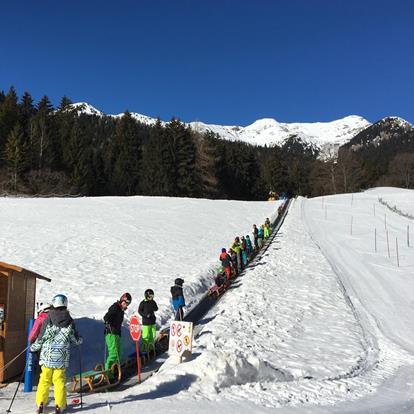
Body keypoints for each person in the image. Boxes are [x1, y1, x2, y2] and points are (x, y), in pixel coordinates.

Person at [31, 294, 82, 414]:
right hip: (61, 358)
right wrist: (80, 340)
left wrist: (33, 347)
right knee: (59, 381)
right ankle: (59, 406)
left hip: (47, 357)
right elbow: (74, 339)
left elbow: (41, 337)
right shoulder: (69, 320)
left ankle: (40, 404)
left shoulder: (48, 318)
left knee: (44, 380)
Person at [103, 292, 131, 380]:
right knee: (113, 354)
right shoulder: (115, 307)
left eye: (128, 303)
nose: (126, 305)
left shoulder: (120, 310)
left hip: (117, 333)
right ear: (122, 300)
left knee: (119, 353)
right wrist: (107, 321)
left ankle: (114, 370)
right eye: (125, 302)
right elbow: (106, 316)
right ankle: (107, 374)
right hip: (111, 333)